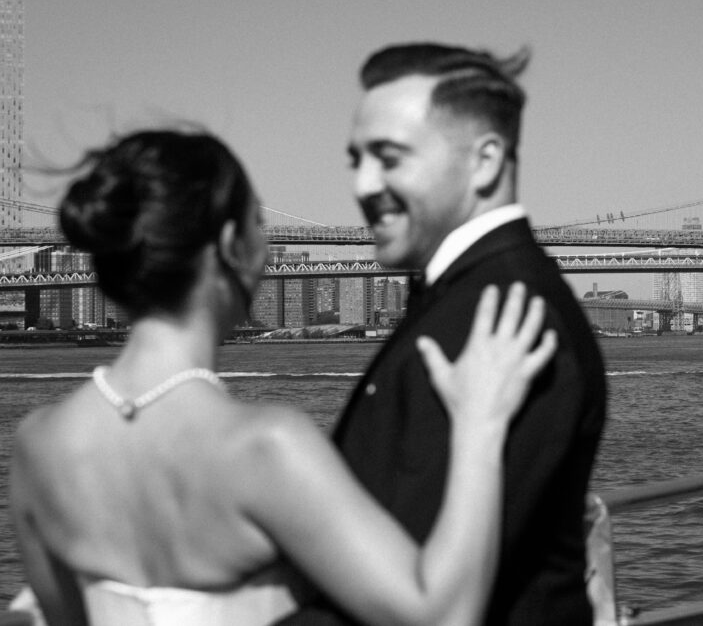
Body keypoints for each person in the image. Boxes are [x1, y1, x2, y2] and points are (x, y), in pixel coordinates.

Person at [8, 129, 558, 626]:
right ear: (230, 248)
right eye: (259, 226)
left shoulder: (37, 445)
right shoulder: (266, 448)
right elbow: (442, 616)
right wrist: (480, 423)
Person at [283, 43, 608, 625]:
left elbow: (412, 595)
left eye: (388, 157)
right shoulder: (471, 298)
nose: (362, 184)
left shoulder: (495, 318)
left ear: (484, 161)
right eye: (355, 159)